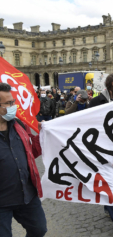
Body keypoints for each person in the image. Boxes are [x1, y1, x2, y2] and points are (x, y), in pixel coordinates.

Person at [0, 83, 47, 237]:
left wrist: (42, 135)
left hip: (26, 195)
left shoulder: (19, 125)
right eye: (8, 103)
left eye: (13, 102)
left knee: (39, 229)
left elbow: (32, 151)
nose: (13, 106)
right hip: (2, 202)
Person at [89, 74, 113, 232]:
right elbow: (86, 122)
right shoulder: (97, 102)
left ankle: (108, 206)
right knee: (110, 181)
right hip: (102, 149)